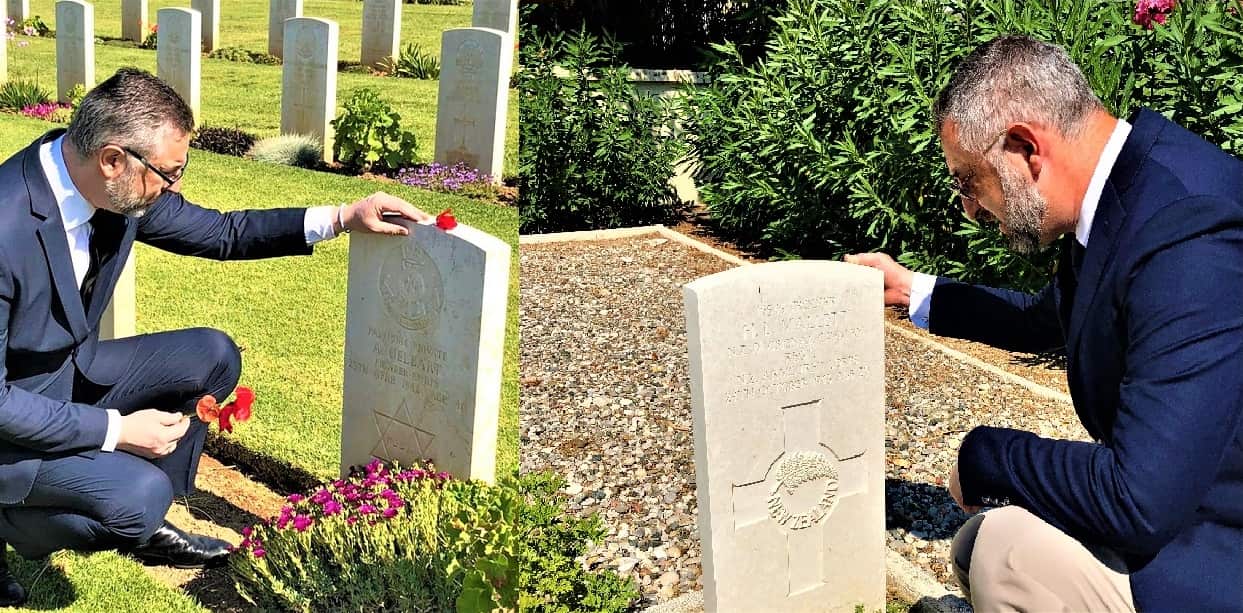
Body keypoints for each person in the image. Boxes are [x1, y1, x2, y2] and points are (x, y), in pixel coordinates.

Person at [0, 67, 434, 605]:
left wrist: (343, 216)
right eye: (168, 173)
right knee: (140, 495)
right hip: (7, 425)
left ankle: (148, 512)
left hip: (63, 378)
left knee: (212, 356)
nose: (172, 188)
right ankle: (19, 521)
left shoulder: (104, 182)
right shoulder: (4, 227)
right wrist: (115, 430)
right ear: (114, 159)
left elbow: (222, 232)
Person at [847, 36, 1243, 612]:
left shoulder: (1187, 237)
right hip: (1194, 510)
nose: (970, 209)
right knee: (976, 545)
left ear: (1025, 147)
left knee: (1003, 554)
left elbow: (1139, 501)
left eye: (968, 181)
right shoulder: (1130, 192)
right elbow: (1047, 318)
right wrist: (913, 290)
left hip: (1219, 553)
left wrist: (987, 457)